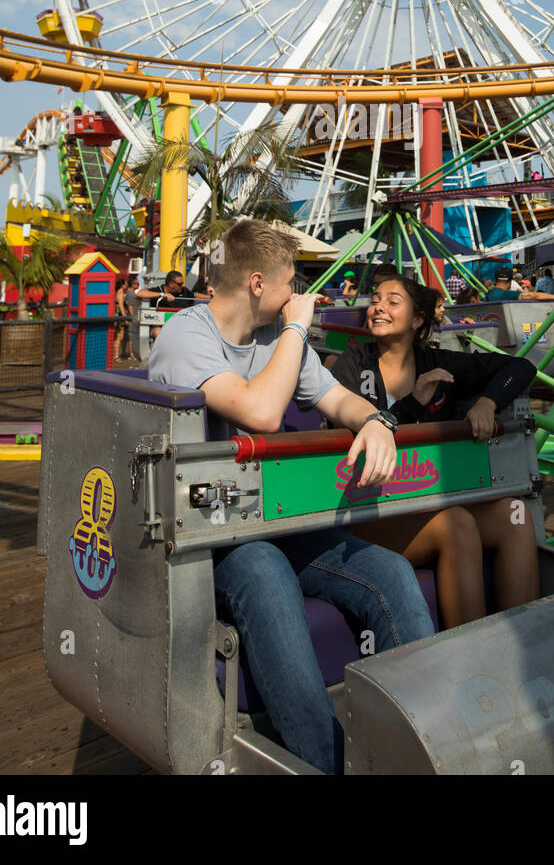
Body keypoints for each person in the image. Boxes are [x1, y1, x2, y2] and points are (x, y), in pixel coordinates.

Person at [147, 220, 435, 776]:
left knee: (391, 575)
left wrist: (376, 422)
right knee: (265, 572)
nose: (298, 293)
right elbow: (260, 413)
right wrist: (298, 328)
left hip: (273, 520)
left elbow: (336, 398)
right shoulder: (186, 336)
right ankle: (323, 763)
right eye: (290, 281)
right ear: (258, 283)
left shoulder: (275, 339)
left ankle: (416, 750)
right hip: (206, 536)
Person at [331, 276, 539, 630]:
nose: (378, 307)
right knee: (456, 522)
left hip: (424, 501)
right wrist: (413, 403)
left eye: (392, 301)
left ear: (417, 319)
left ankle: (526, 641)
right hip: (368, 511)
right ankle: (471, 651)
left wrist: (488, 403)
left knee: (514, 515)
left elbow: (520, 368)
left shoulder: (435, 362)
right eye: (376, 299)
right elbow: (362, 434)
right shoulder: (351, 365)